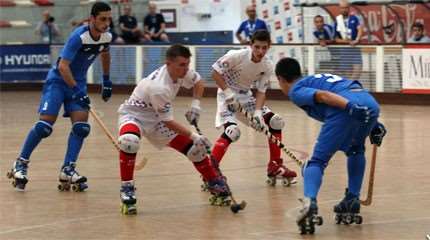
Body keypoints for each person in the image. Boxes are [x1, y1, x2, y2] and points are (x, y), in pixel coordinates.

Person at [7, 2, 113, 192]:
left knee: (81, 128)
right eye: (103, 19)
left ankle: (68, 169)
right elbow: (63, 67)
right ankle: (20, 163)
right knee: (45, 126)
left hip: (77, 83)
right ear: (92, 18)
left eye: (109, 19)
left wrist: (106, 80)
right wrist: (78, 92)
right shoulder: (78, 37)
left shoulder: (106, 37)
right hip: (58, 81)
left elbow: (105, 55)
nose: (107, 23)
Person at [274, 57, 387, 234]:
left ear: (280, 79)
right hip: (370, 103)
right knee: (356, 149)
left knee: (316, 161)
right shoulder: (315, 78)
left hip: (344, 108)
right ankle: (352, 199)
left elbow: (323, 96)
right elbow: (355, 95)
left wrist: (350, 108)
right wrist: (374, 124)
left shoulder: (296, 89)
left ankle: (309, 202)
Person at [116, 44, 229, 214]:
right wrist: (194, 135)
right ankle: (127, 189)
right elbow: (168, 122)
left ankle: (214, 182)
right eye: (181, 65)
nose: (185, 69)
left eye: (187, 64)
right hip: (135, 116)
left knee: (196, 151)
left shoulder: (183, 72)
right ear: (168, 63)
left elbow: (199, 82)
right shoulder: (159, 87)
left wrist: (195, 105)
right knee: (129, 142)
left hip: (156, 120)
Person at [209, 30, 297, 188]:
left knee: (276, 122)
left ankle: (275, 166)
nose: (260, 52)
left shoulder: (267, 65)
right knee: (232, 132)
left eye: (264, 48)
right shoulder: (237, 56)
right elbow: (215, 73)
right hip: (225, 94)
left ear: (269, 47)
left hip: (245, 97)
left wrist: (257, 113)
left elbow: (261, 92)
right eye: (257, 47)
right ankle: (211, 174)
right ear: (251, 45)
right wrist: (228, 93)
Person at [334, 0, 363, 80]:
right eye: (342, 8)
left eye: (346, 8)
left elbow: (360, 29)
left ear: (349, 8)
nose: (344, 9)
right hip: (344, 51)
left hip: (355, 49)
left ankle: (349, 86)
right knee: (347, 73)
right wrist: (347, 41)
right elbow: (336, 39)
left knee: (358, 70)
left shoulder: (354, 18)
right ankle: (349, 88)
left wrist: (357, 39)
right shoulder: (337, 20)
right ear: (340, 9)